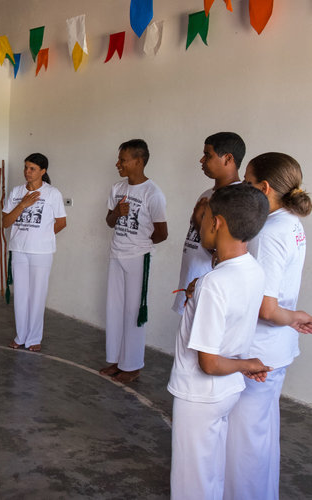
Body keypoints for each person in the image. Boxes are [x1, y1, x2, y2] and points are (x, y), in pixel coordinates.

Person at [167, 183, 272, 499]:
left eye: (204, 215)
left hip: (198, 395)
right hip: (226, 393)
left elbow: (208, 362)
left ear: (217, 222)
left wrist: (246, 364)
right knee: (210, 472)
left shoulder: (214, 283)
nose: (199, 221)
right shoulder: (252, 269)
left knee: (191, 482)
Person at [224, 153, 312, 500]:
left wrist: (295, 316)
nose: (243, 188)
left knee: (245, 444)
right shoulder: (292, 222)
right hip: (276, 348)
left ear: (264, 188)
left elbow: (266, 307)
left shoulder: (269, 231)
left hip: (259, 351)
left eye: (247, 183)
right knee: (261, 434)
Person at [100, 139, 168, 383]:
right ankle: (117, 360)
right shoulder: (117, 187)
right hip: (116, 254)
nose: (118, 163)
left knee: (133, 312)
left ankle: (133, 365)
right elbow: (109, 221)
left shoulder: (153, 193)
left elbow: (162, 233)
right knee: (115, 309)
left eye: (123, 159)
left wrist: (140, 244)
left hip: (139, 258)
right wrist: (117, 213)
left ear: (138, 161)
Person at [172, 132, 245, 313]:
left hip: (211, 290)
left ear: (228, 158)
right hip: (192, 282)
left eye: (208, 155)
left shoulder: (237, 199)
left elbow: (229, 254)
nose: (201, 160)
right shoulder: (207, 194)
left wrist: (199, 223)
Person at [1, 153, 66, 351]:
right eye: (26, 168)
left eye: (32, 169)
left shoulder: (52, 193)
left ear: (43, 171)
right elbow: (5, 222)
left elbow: (61, 223)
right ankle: (21, 336)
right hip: (19, 250)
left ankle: (34, 338)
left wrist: (42, 236)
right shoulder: (16, 191)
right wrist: (22, 205)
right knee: (20, 294)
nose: (27, 172)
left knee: (37, 294)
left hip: (41, 252)